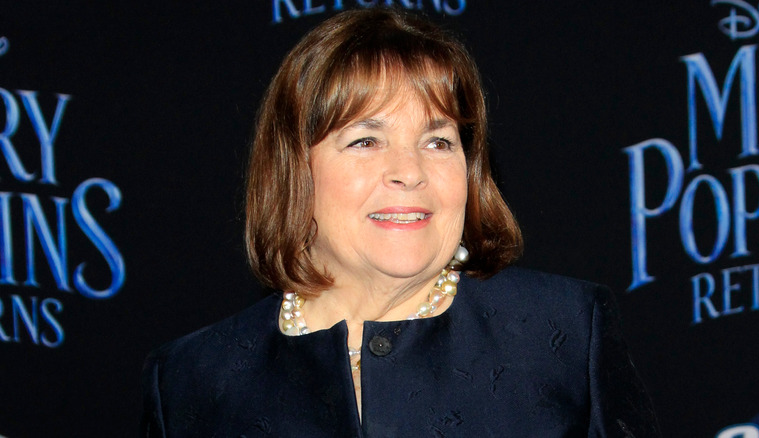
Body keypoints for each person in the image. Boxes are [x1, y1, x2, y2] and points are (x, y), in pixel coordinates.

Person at [141, 7, 660, 437]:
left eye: (438, 141)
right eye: (365, 141)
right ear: (294, 171)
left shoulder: (563, 333)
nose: (409, 171)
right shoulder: (190, 381)